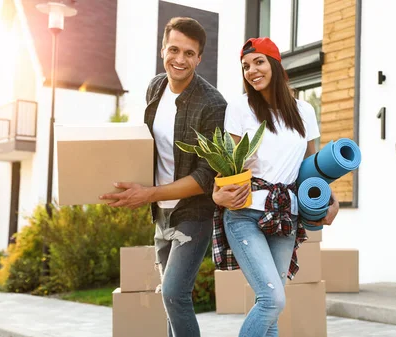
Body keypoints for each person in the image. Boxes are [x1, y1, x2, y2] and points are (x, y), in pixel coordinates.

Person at [99, 17, 227, 337]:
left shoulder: (212, 104)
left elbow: (206, 176)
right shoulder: (156, 87)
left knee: (174, 293)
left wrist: (148, 193)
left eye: (188, 53)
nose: (179, 59)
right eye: (173, 50)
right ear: (162, 50)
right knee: (168, 300)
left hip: (193, 213)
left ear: (199, 58)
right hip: (161, 213)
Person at [211, 37, 340, 337]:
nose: (252, 70)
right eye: (245, 66)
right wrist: (218, 191)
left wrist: (330, 200)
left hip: (285, 215)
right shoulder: (240, 107)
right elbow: (229, 165)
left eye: (258, 62)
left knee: (272, 305)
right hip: (245, 214)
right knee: (272, 299)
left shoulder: (304, 111)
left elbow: (311, 166)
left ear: (275, 64)